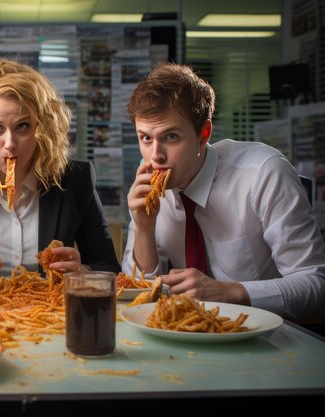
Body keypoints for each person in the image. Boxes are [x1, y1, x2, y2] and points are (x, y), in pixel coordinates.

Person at [123, 61, 325, 322]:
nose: (155, 156)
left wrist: (233, 292)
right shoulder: (148, 177)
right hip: (189, 337)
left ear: (204, 133)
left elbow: (316, 284)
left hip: (272, 335)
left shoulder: (263, 173)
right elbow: (138, 293)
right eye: (145, 138)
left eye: (171, 137)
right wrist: (144, 228)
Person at [0, 58, 120, 285]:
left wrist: (83, 272)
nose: (10, 144)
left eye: (22, 126)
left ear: (41, 129)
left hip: (47, 315)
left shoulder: (75, 179)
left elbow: (109, 269)